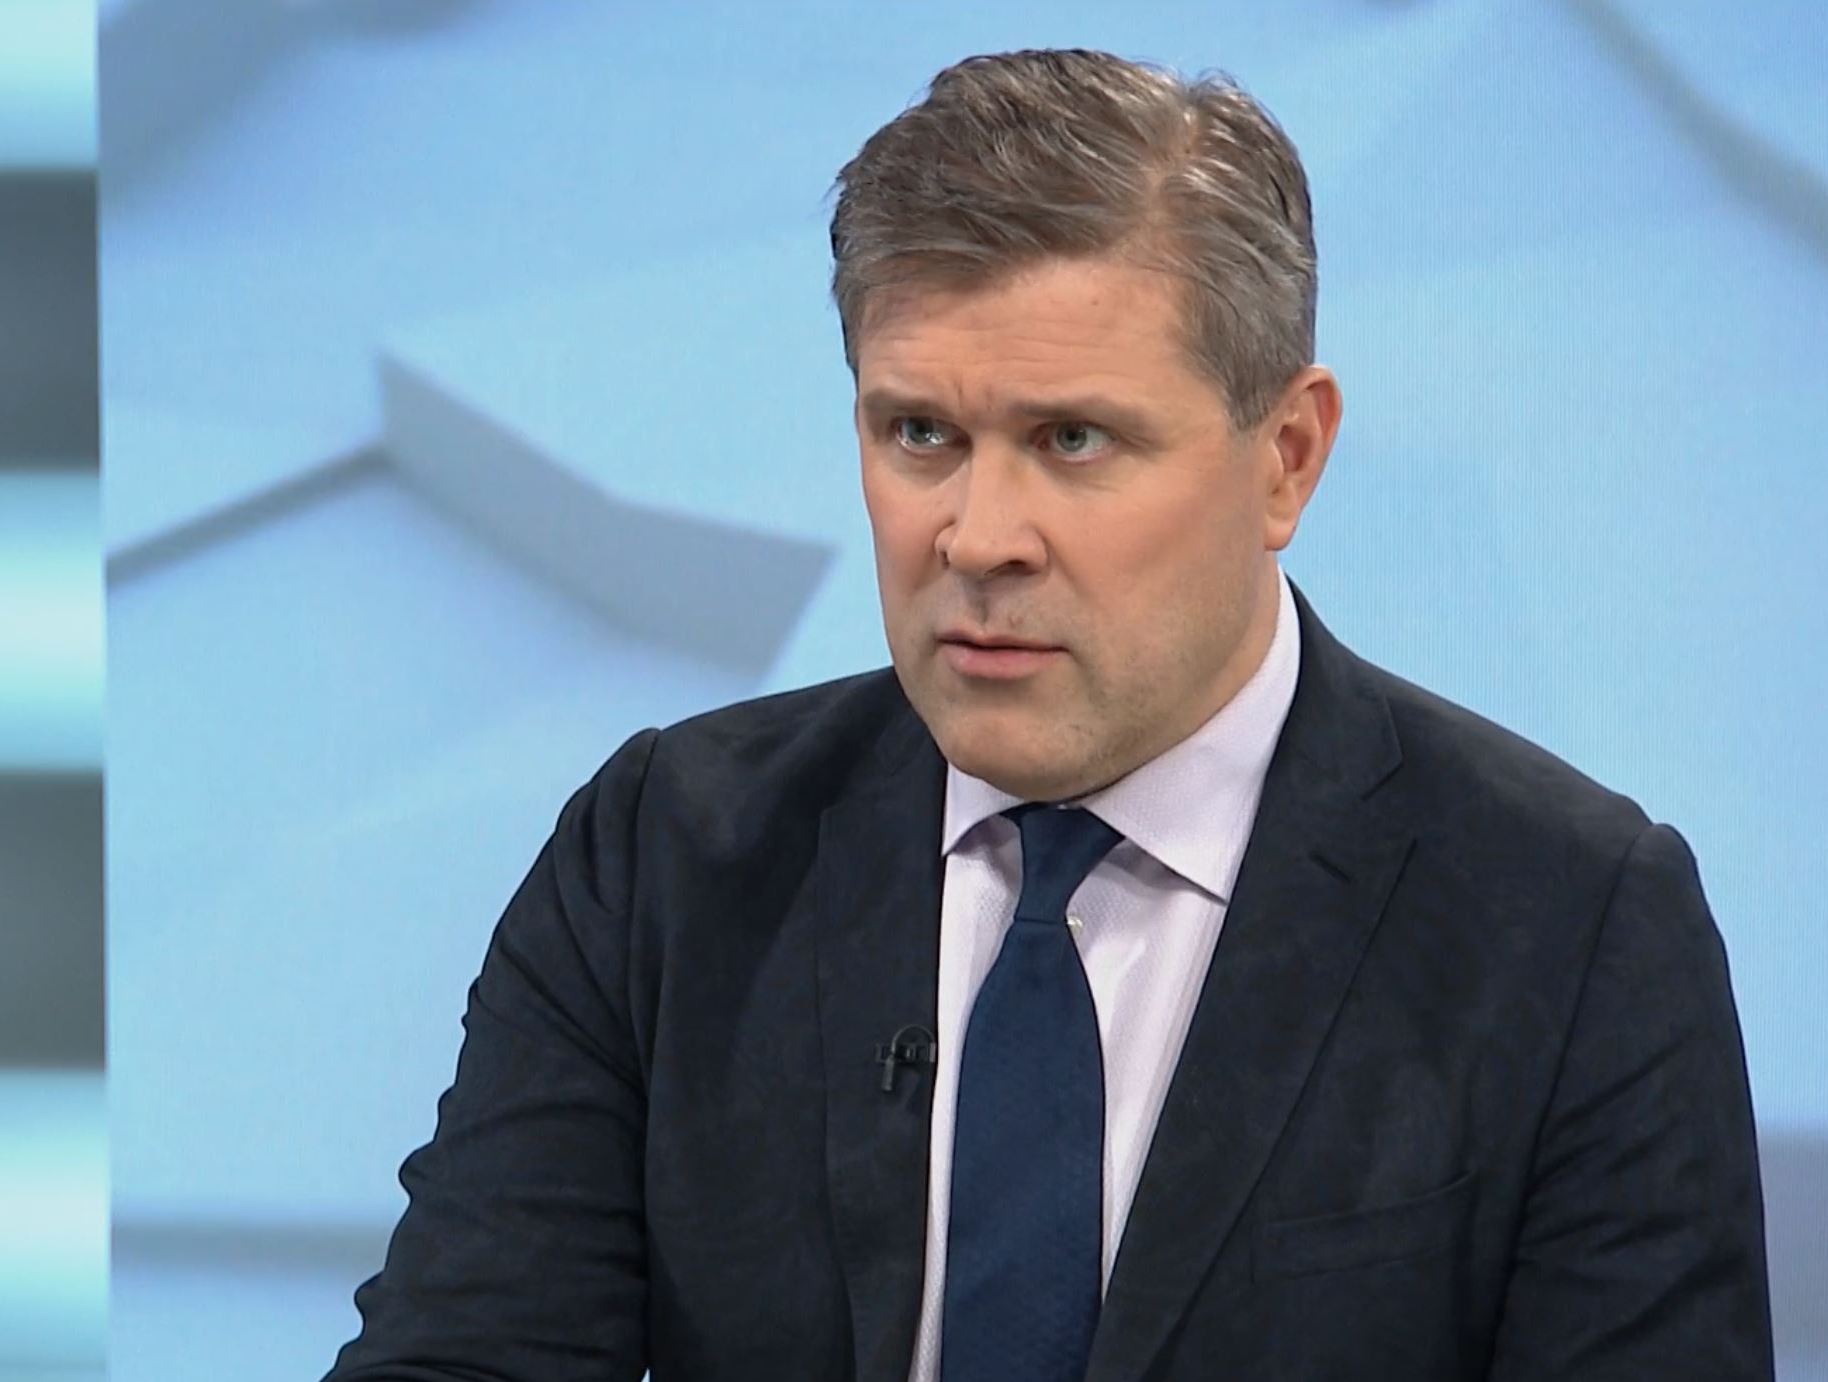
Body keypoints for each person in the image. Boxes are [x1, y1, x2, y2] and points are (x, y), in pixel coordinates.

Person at [324, 47, 1772, 1382]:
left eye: (1072, 439)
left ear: (1286, 455)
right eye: (921, 434)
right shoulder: (667, 860)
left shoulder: (1568, 924)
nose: (977, 536)